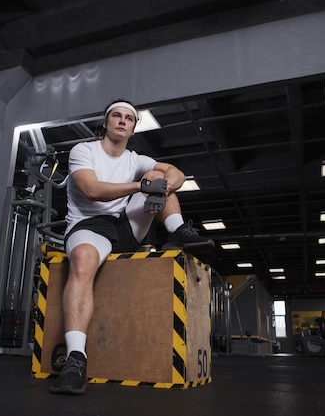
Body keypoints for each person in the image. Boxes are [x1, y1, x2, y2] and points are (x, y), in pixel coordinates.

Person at [49, 99, 214, 395]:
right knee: (84, 259)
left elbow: (175, 173)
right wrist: (141, 186)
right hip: (90, 226)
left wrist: (161, 181)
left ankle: (177, 230)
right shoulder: (83, 151)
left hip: (123, 225)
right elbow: (92, 189)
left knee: (159, 175)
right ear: (106, 122)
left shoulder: (136, 158)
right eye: (116, 116)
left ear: (134, 128)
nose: (122, 121)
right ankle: (76, 359)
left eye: (129, 118)